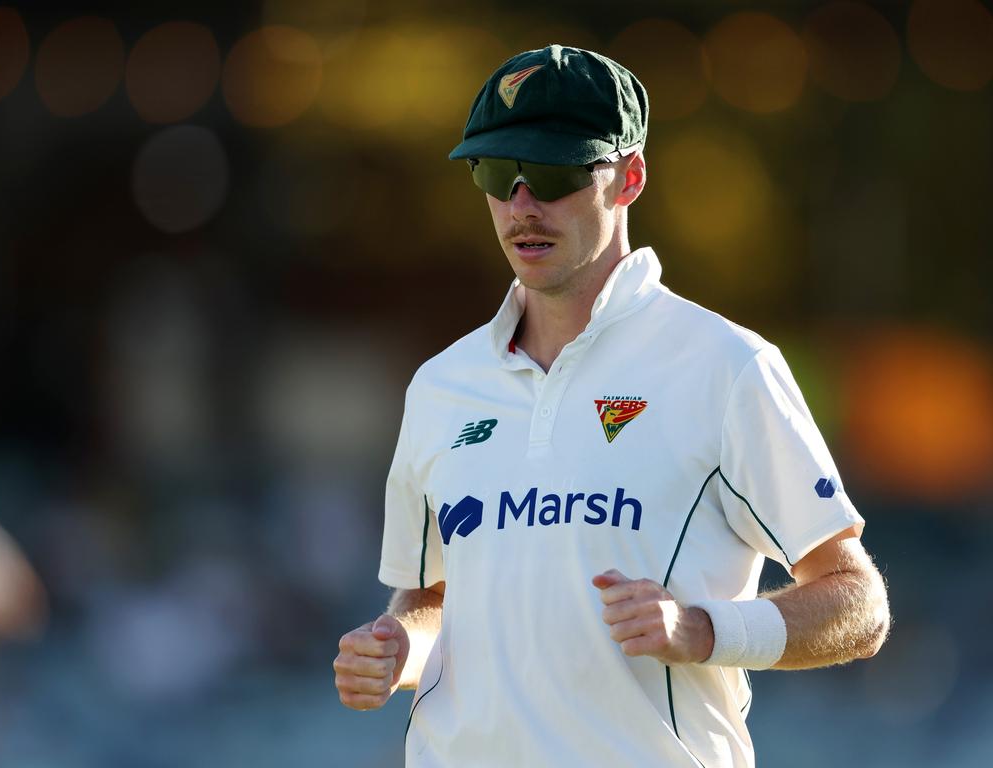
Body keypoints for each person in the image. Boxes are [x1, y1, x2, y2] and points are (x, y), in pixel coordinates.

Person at [334, 44, 890, 767]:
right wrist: (398, 650)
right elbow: (433, 601)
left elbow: (858, 604)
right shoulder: (441, 386)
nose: (521, 206)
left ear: (628, 177)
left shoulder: (726, 365)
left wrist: (703, 629)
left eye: (556, 174)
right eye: (498, 175)